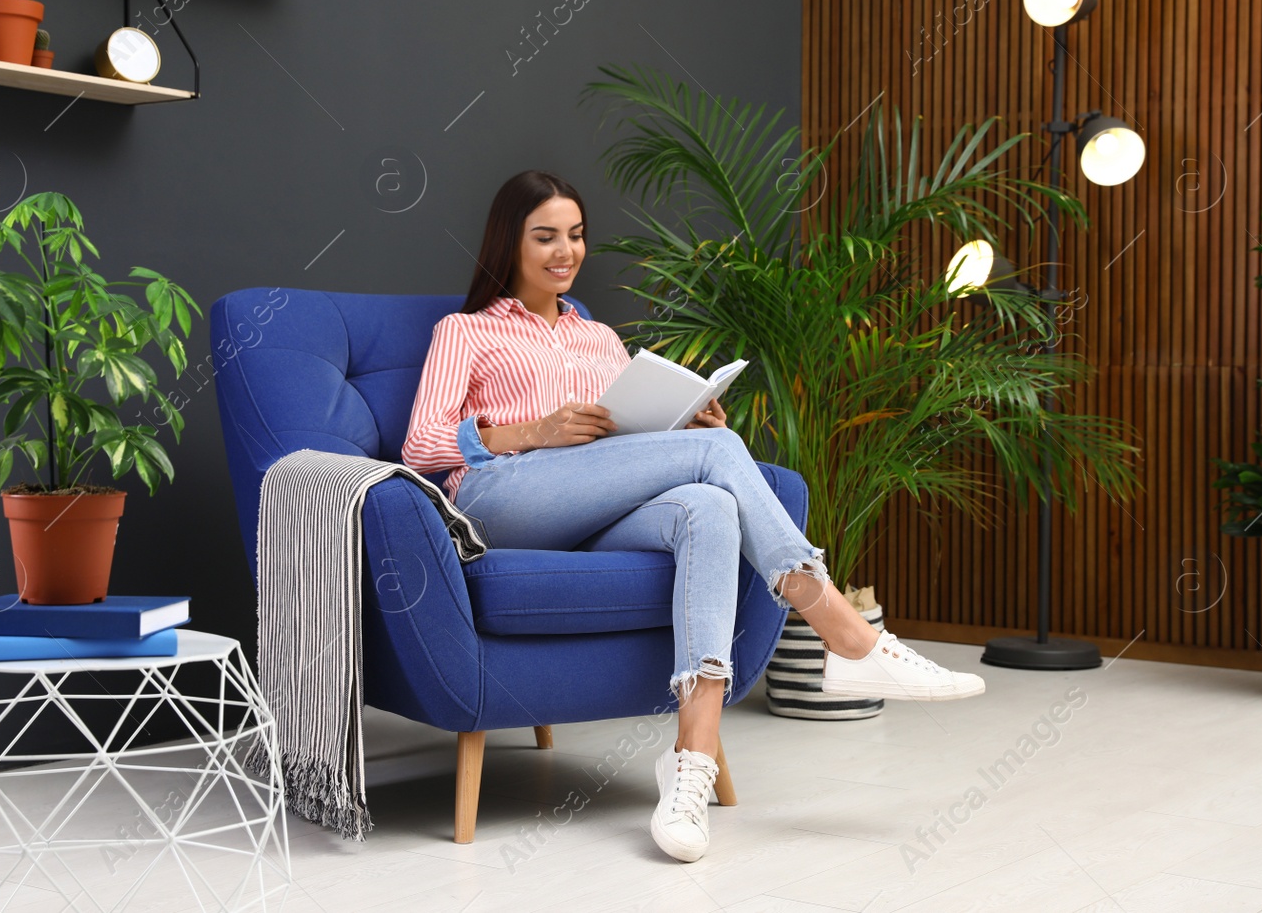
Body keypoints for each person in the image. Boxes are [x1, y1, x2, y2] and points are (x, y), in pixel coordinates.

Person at [402, 170, 985, 863]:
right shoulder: (465, 330)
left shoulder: (602, 339)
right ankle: (846, 634)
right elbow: (419, 446)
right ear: (511, 241)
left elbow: (622, 451)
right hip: (504, 502)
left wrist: (686, 425)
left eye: (577, 235)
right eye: (546, 236)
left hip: (592, 512)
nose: (566, 250)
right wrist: (532, 430)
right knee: (716, 454)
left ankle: (689, 765)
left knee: (709, 505)